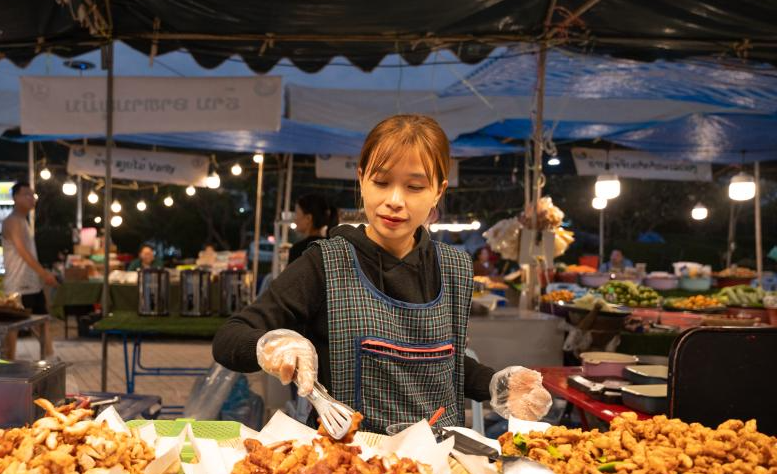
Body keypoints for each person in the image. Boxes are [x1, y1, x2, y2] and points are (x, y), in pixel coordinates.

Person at [212, 114, 551, 433]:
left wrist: (494, 385)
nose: (394, 200)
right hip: (349, 463)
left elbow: (444, 367)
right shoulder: (324, 264)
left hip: (439, 459)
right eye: (381, 181)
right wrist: (269, 345)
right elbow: (229, 338)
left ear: (438, 191)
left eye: (415, 187)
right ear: (362, 179)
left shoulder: (455, 267)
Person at [1, 182, 57, 358]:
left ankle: (49, 358)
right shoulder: (12, 221)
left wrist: (40, 276)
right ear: (15, 197)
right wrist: (44, 273)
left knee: (43, 321)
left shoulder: (24, 221)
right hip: (17, 285)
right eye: (27, 194)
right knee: (12, 329)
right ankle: (7, 364)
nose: (32, 199)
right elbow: (22, 251)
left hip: (32, 283)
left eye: (33, 195)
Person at [288, 193, 338, 264]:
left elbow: (291, 275)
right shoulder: (330, 247)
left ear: (308, 218)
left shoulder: (298, 250)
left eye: (296, 214)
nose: (294, 219)